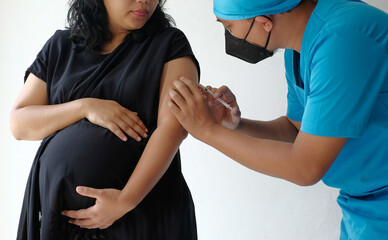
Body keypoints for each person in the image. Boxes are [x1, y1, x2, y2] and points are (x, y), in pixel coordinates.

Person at [168, 0, 388, 239]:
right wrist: (232, 125)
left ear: (264, 22)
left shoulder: (343, 39)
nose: (230, 37)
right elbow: (296, 131)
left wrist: (208, 131)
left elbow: (306, 167)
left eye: (230, 27)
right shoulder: (298, 50)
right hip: (362, 206)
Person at [11, 0, 199, 239]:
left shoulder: (170, 44)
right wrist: (85, 107)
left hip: (142, 211)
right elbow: (19, 123)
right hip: (60, 218)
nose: (146, 1)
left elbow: (173, 126)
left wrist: (125, 200)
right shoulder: (60, 46)